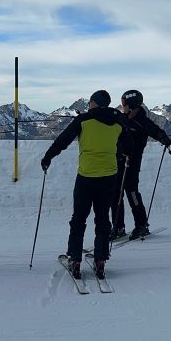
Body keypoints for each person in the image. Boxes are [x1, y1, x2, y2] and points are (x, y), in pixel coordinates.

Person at [41, 90, 126, 279]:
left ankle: (75, 259)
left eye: (90, 102)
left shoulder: (83, 120)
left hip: (86, 176)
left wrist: (48, 158)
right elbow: (127, 145)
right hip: (109, 176)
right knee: (103, 218)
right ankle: (101, 259)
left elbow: (62, 141)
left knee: (79, 218)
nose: (89, 105)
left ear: (95, 103)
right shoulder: (118, 121)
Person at [111, 89, 171, 240]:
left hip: (132, 163)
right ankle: (118, 227)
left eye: (124, 104)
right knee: (115, 194)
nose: (122, 107)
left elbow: (155, 130)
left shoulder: (142, 120)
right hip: (118, 161)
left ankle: (141, 225)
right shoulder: (122, 118)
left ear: (131, 105)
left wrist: (163, 139)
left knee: (132, 193)